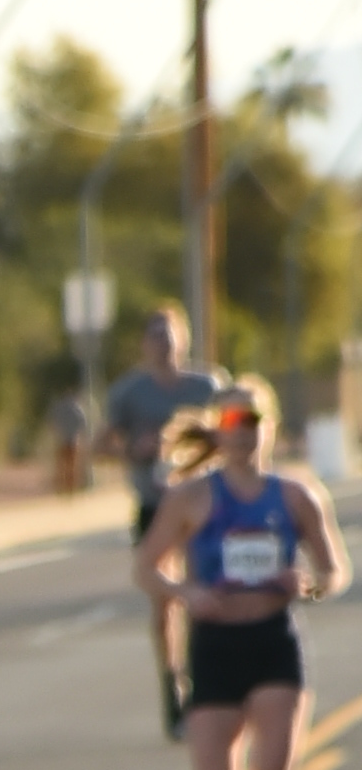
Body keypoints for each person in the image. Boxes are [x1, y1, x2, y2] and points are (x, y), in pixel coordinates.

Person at [131, 380, 346, 770]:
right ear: (217, 430)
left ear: (268, 428)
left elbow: (334, 571)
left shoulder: (296, 495)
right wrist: (187, 594)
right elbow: (146, 567)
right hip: (215, 648)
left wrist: (306, 585)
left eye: (252, 420)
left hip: (273, 644)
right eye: (231, 420)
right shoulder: (191, 498)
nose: (242, 431)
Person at [101, 308, 230, 737]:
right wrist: (133, 449)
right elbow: (100, 445)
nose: (164, 345)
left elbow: (236, 431)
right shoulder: (129, 392)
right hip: (155, 503)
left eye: (170, 336)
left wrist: (202, 441)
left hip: (205, 502)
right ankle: (172, 684)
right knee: (165, 598)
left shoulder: (207, 386)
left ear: (185, 340)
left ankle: (205, 680)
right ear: (144, 344)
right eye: (156, 336)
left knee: (205, 591)